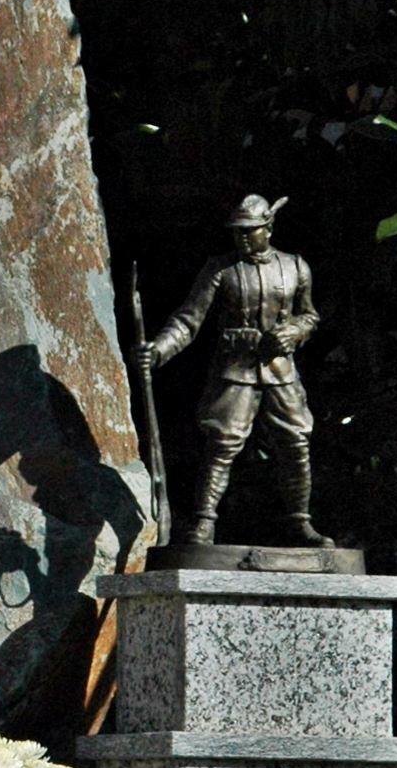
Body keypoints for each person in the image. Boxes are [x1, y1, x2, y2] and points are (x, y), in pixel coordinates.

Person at [138, 195, 330, 548]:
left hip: (280, 372)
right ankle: (204, 524)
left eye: (250, 231)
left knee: (295, 445)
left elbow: (309, 315)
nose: (242, 238)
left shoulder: (296, 267)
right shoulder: (221, 270)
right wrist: (159, 351)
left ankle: (301, 522)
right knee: (222, 445)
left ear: (268, 228)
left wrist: (296, 331)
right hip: (234, 372)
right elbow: (188, 320)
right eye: (237, 232)